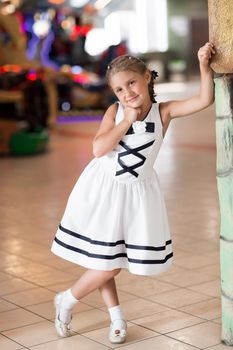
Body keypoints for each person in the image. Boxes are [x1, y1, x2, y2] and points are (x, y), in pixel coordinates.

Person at [51, 42, 215, 344]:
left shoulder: (163, 112)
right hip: (104, 190)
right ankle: (75, 302)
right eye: (119, 89)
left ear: (147, 78)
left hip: (137, 195)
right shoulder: (115, 112)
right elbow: (99, 148)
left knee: (108, 260)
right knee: (108, 263)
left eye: (131, 83)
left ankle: (99, 311)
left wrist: (203, 65)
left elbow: (204, 99)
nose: (127, 93)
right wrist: (126, 120)